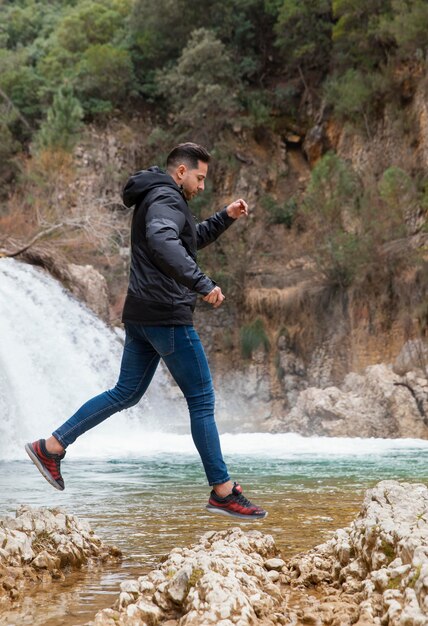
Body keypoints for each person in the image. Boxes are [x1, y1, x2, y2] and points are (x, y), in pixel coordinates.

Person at [25, 142, 267, 520]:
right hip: (166, 315)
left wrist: (225, 217)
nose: (202, 186)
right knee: (201, 398)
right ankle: (222, 490)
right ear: (181, 172)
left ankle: (51, 447)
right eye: (200, 178)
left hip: (141, 314)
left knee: (125, 393)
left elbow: (185, 239)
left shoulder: (157, 196)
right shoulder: (166, 200)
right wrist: (202, 284)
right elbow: (163, 241)